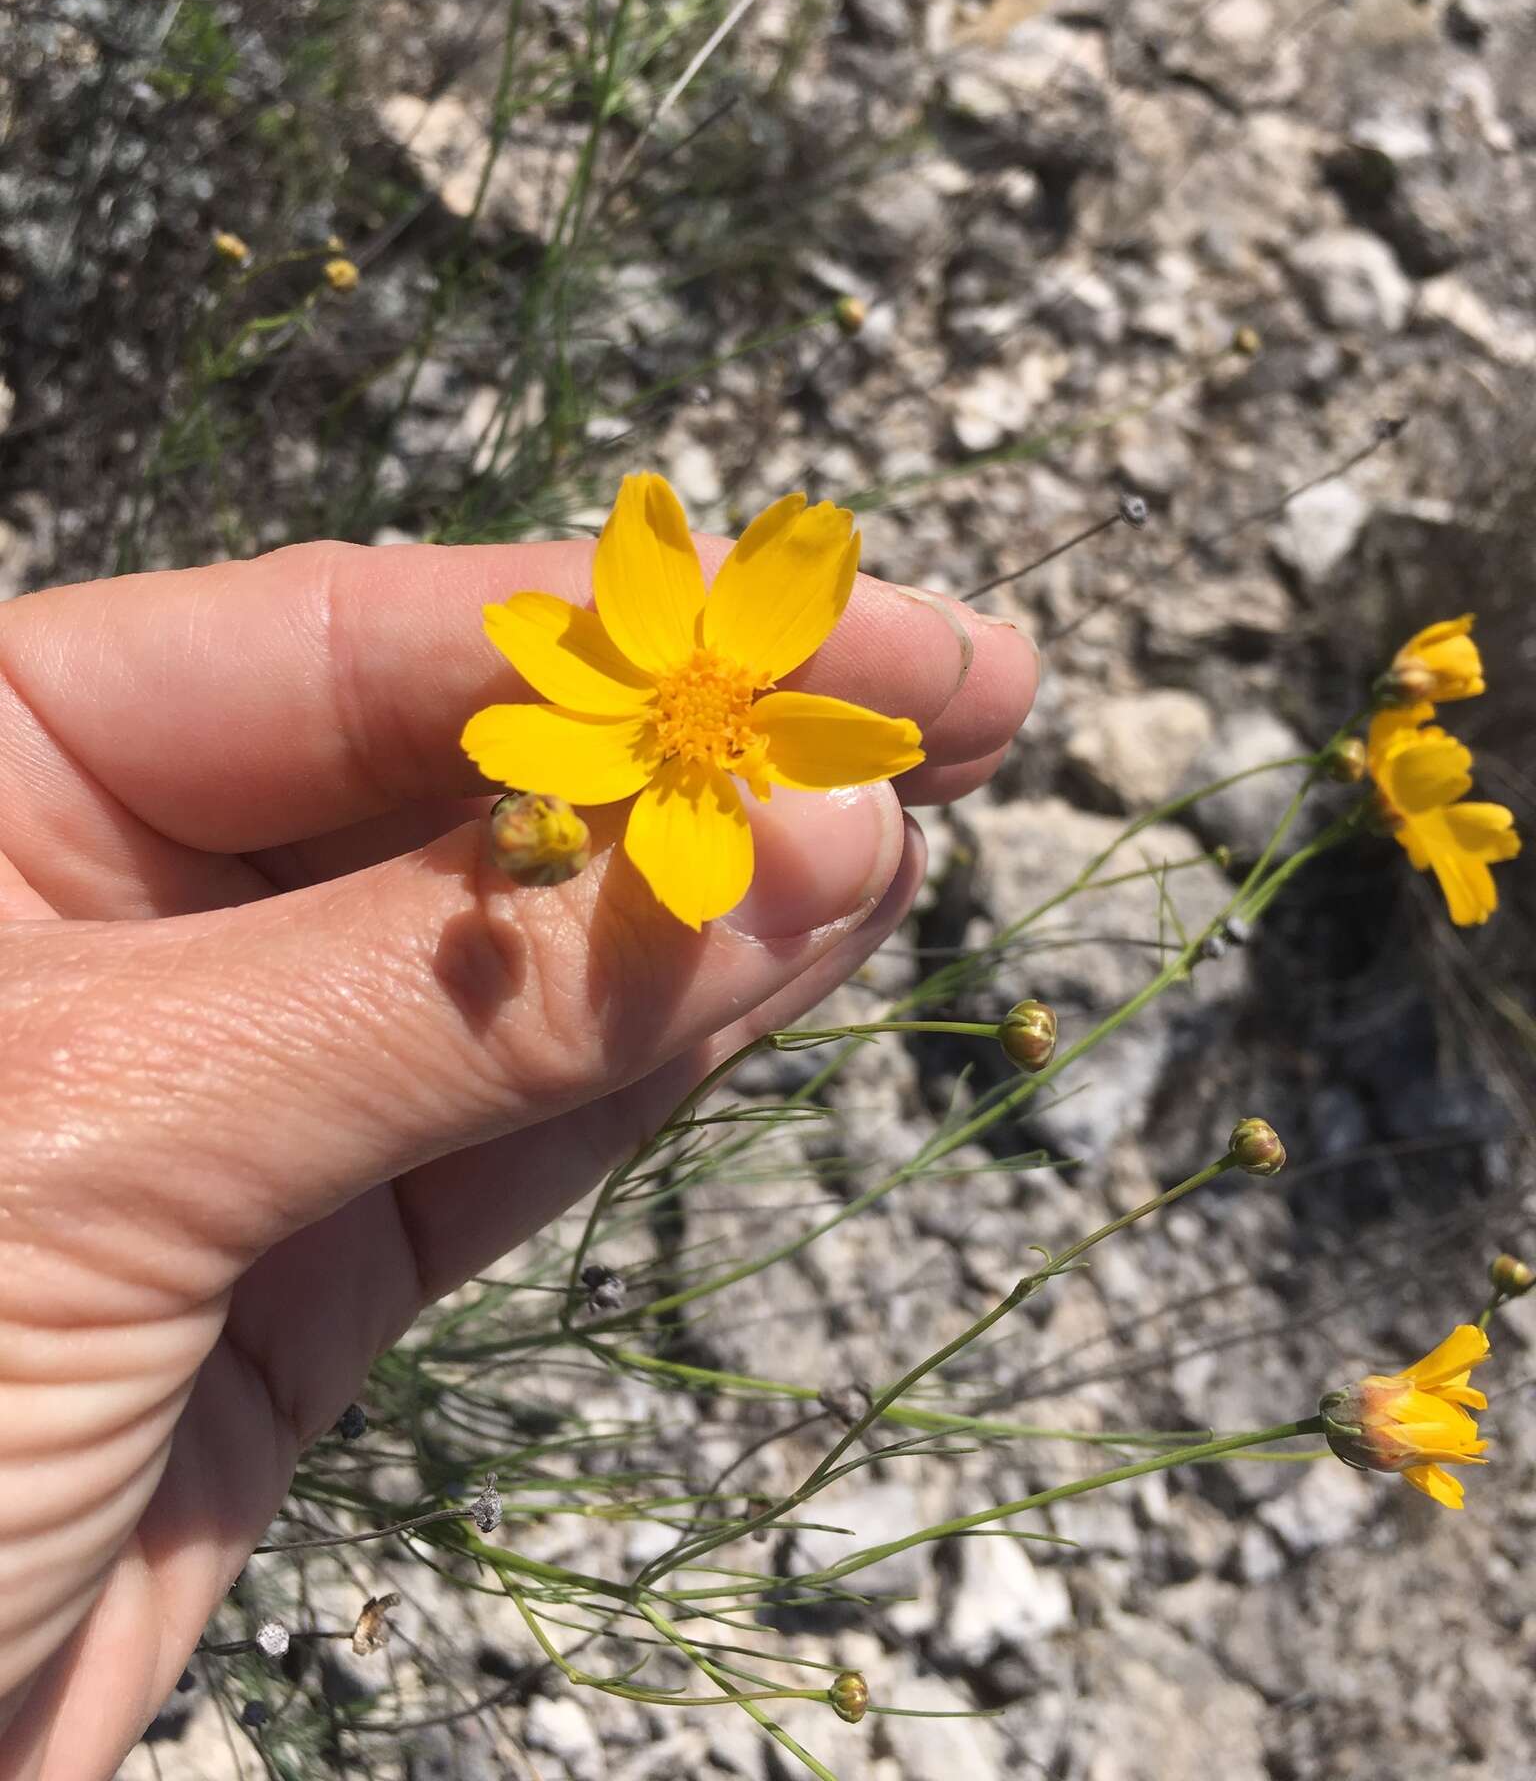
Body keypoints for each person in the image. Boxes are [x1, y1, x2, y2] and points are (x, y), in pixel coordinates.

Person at [0, 534, 1037, 1780]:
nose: (717, 705)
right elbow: (543, 695)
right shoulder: (604, 735)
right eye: (712, 695)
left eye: (731, 699)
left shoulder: (771, 734)